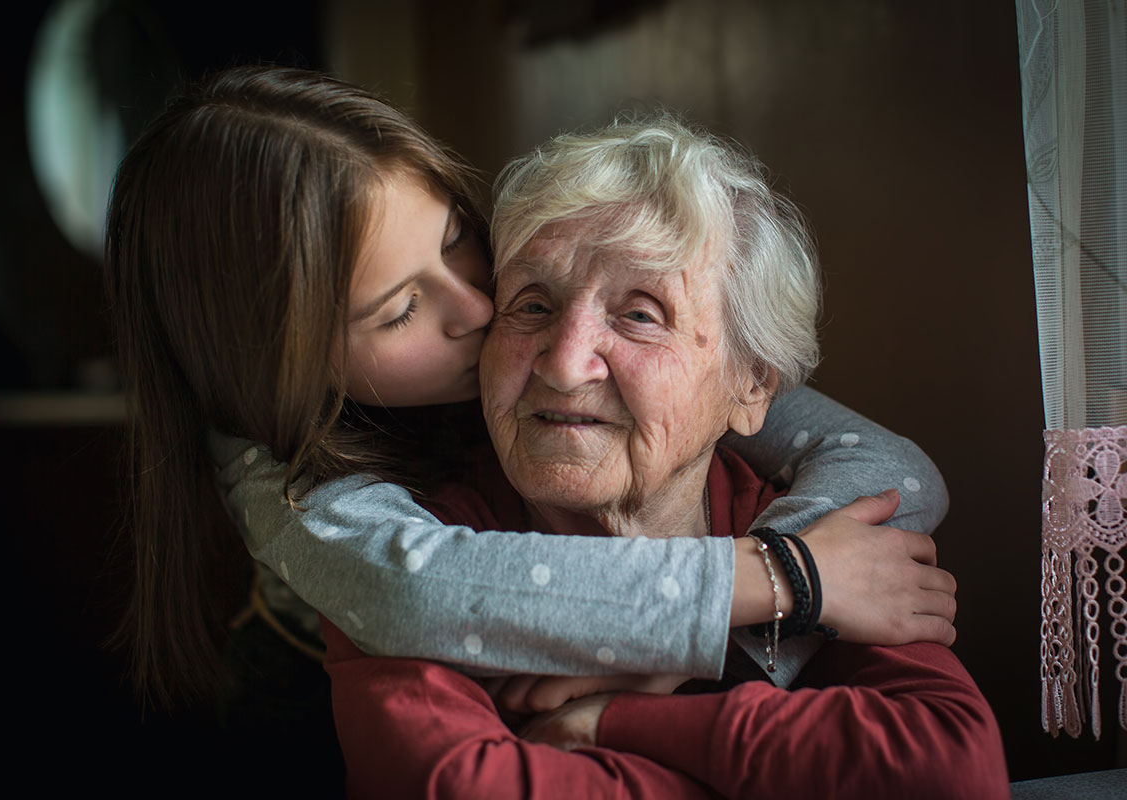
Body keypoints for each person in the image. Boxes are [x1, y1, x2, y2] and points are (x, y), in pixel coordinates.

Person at [106, 65, 952, 718]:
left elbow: (893, 472)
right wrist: (783, 578)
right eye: (401, 309)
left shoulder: (563, 348)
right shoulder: (288, 483)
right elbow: (417, 592)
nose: (480, 307)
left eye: (457, 241)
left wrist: (734, 643)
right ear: (282, 367)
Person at [318, 114, 1008, 798]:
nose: (563, 364)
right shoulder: (421, 553)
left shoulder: (820, 535)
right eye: (531, 305)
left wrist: (616, 722)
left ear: (751, 385)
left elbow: (950, 770)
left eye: (640, 315)